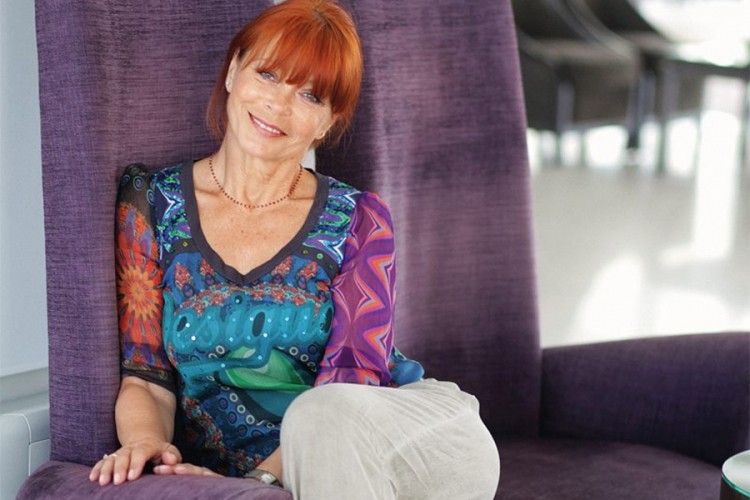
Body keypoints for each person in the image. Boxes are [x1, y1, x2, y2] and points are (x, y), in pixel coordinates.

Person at [88, 0, 500, 498]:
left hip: (413, 441)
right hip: (330, 482)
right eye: (267, 75)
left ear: (327, 122)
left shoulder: (359, 219)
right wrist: (147, 444)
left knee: (319, 414)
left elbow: (351, 387)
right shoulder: (153, 205)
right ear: (233, 71)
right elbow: (145, 376)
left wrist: (257, 484)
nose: (278, 105)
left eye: (309, 95)